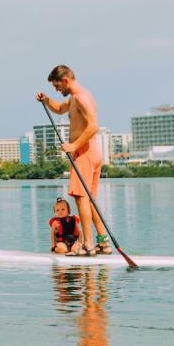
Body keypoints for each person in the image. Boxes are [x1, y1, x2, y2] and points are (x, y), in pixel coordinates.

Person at [37, 65, 111, 256]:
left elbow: (93, 126)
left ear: (66, 81)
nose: (56, 90)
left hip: (85, 152)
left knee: (81, 198)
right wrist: (46, 100)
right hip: (90, 152)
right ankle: (103, 243)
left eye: (57, 86)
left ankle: (87, 244)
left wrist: (74, 145)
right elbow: (60, 109)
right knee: (90, 200)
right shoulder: (74, 98)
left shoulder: (81, 97)